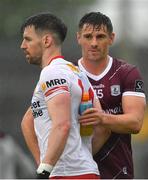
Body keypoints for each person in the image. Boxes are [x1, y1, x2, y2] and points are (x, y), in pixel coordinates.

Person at [20, 12, 106, 179]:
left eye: (28, 39)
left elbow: (62, 125)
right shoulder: (77, 73)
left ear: (46, 40)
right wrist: (82, 156)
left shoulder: (52, 73)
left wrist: (44, 169)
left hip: (67, 175)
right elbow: (102, 127)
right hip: (83, 171)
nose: (23, 45)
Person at [77, 12, 146, 179]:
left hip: (117, 172)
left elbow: (135, 123)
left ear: (111, 38)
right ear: (78, 38)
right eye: (88, 36)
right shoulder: (67, 73)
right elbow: (31, 120)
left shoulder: (126, 72)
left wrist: (101, 118)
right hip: (77, 173)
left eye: (100, 36)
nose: (93, 43)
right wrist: (45, 165)